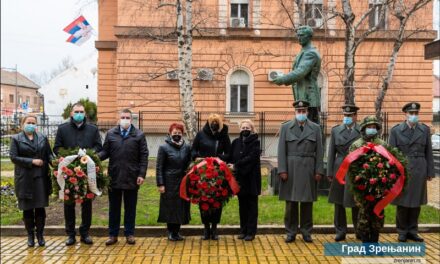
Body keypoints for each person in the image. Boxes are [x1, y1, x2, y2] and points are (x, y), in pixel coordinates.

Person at [53, 102, 102, 246]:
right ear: (71, 113)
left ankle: (85, 233)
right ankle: (70, 234)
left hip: (87, 170)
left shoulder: (93, 129)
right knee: (69, 203)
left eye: (81, 111)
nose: (79, 114)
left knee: (87, 203)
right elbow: (57, 147)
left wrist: (89, 154)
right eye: (76, 111)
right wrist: (67, 156)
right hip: (68, 171)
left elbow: (98, 146)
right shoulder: (62, 129)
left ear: (85, 114)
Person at [99, 109, 149, 245]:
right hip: (114, 177)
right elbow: (105, 152)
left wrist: (141, 174)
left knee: (130, 208)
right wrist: (93, 157)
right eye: (123, 117)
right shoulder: (111, 134)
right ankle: (113, 234)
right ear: (119, 118)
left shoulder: (139, 135)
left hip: (132, 177)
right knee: (114, 208)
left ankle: (129, 233)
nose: (125, 119)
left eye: (127, 117)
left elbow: (144, 156)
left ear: (131, 119)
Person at [277, 100, 324, 243]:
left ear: (308, 112)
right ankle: (290, 232)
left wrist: (319, 170)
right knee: (291, 203)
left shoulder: (315, 128)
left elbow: (320, 151)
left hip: (308, 168)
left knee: (307, 202)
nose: (301, 114)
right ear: (295, 112)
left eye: (304, 111)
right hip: (290, 169)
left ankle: (306, 231)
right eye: (299, 111)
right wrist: (282, 169)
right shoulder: (286, 127)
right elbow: (281, 151)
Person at [389, 102, 434, 242]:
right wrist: (392, 172)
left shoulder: (424, 130)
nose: (414, 116)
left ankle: (413, 230)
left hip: (420, 168)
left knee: (416, 201)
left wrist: (430, 171)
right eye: (411, 113)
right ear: (406, 114)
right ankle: (402, 231)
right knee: (402, 202)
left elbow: (429, 152)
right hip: (402, 169)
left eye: (416, 113)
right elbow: (391, 153)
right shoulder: (395, 130)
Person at [9, 115, 53, 247]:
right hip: (24, 178)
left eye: (34, 123)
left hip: (40, 177)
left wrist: (56, 162)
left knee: (40, 207)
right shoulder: (16, 139)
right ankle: (30, 236)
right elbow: (13, 157)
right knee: (27, 208)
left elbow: (48, 154)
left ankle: (40, 235)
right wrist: (32, 161)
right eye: (29, 122)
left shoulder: (42, 138)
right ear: (22, 124)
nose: (31, 125)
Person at [191, 113, 231, 240]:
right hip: (203, 172)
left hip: (218, 172)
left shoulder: (223, 136)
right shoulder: (201, 134)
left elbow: (228, 153)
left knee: (217, 199)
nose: (214, 124)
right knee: (204, 199)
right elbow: (193, 150)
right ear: (208, 123)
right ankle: (206, 228)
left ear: (219, 124)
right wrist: (198, 157)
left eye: (216, 122)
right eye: (212, 122)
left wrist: (219, 158)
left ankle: (214, 228)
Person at [272, 26, 322, 123]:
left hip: (309, 98)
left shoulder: (311, 53)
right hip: (303, 96)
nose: (299, 38)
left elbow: (300, 72)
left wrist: (283, 79)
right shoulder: (303, 52)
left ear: (309, 37)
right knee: (303, 128)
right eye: (298, 35)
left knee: (311, 130)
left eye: (302, 35)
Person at [349, 116, 386, 243]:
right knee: (364, 214)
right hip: (362, 187)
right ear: (364, 129)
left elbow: (389, 164)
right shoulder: (357, 145)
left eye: (374, 127)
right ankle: (365, 242)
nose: (372, 129)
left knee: (377, 213)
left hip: (379, 187)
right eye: (369, 127)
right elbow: (351, 167)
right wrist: (358, 182)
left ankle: (375, 241)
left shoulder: (382, 144)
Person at [327, 104, 361, 241]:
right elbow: (331, 153)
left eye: (349, 115)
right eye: (345, 115)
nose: (346, 118)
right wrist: (329, 171)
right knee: (339, 200)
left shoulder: (361, 131)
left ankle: (359, 229)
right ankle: (340, 230)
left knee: (356, 200)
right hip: (339, 167)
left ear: (355, 116)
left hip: (356, 168)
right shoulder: (336, 131)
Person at [156, 123, 191, 241]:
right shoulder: (164, 147)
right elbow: (159, 167)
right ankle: (171, 232)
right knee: (170, 207)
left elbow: (189, 163)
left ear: (182, 134)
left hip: (182, 181)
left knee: (180, 206)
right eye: (175, 133)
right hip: (169, 181)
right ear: (170, 133)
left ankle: (177, 232)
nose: (177, 135)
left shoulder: (187, 147)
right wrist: (160, 184)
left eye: (179, 133)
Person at [228, 119, 261, 241]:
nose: (245, 130)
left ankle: (251, 232)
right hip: (240, 180)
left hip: (251, 180)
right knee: (242, 206)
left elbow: (251, 158)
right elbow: (230, 157)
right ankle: (243, 230)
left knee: (252, 206)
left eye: (248, 128)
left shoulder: (255, 143)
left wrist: (236, 166)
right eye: (243, 128)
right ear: (240, 129)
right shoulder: (236, 142)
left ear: (252, 129)